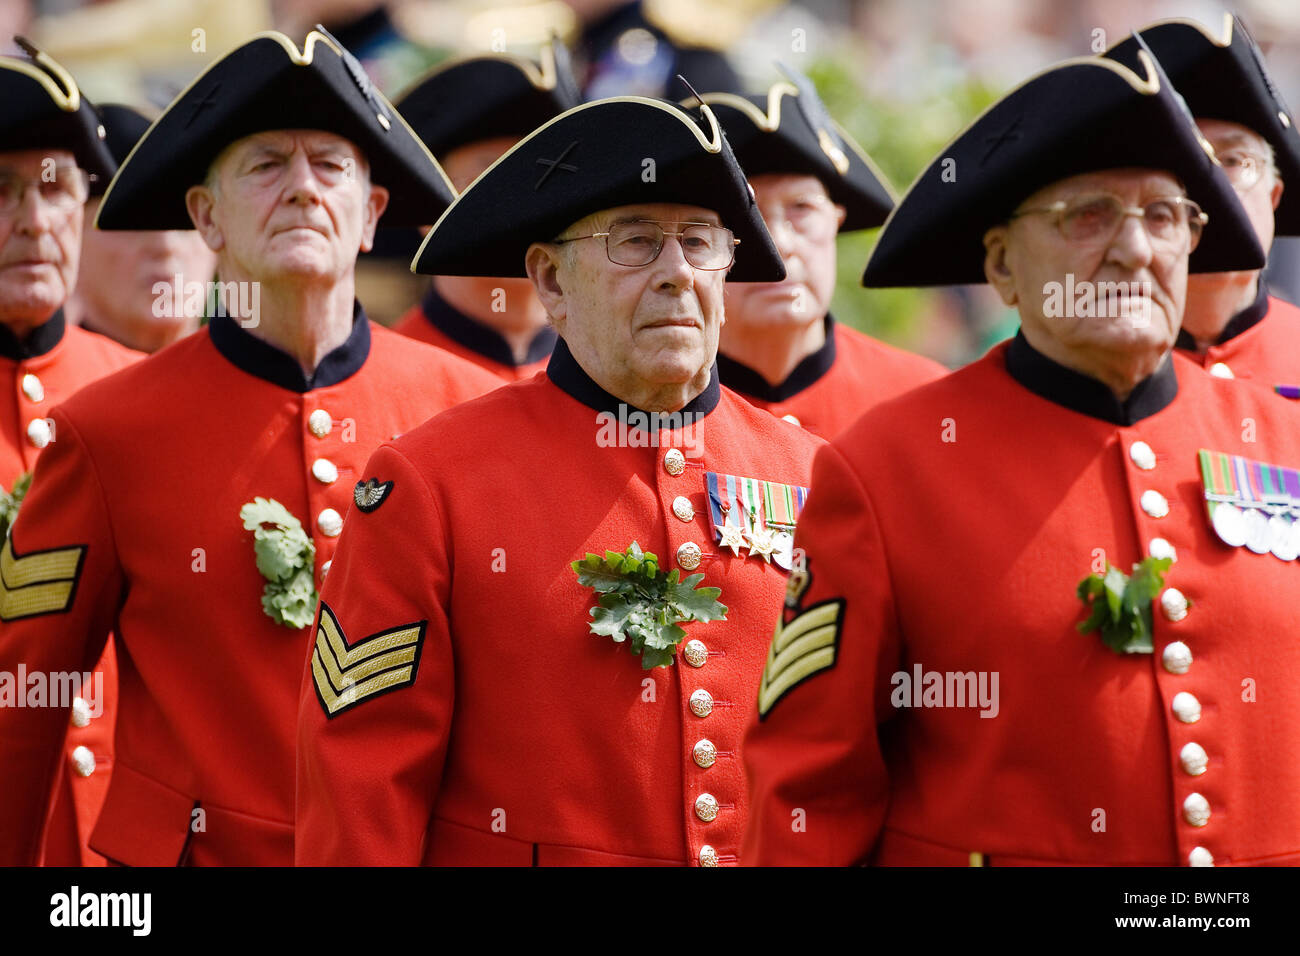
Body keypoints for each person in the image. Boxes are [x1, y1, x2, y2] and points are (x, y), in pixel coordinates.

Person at [742, 49, 1300, 866]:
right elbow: (809, 793)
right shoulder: (890, 467)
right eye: (1088, 216)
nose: (1134, 249)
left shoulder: (1281, 437)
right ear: (1001, 263)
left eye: (1164, 216)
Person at [0, 28, 500, 867]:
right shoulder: (108, 430)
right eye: (267, 165)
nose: (302, 189)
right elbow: (24, 708)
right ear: (206, 218)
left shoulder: (472, 414)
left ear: (373, 215)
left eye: (331, 165)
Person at [296, 95, 825, 866]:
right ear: (549, 280)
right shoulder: (433, 483)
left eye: (700, 242)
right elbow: (361, 788)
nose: (678, 274)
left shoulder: (810, 473)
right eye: (637, 243)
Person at [0, 40, 141, 868]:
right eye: (3, 190)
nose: (34, 219)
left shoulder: (140, 399)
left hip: (121, 851)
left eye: (58, 189)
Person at [700, 75, 946, 437]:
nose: (780, 244)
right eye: (748, 217)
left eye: (801, 208)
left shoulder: (924, 399)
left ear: (836, 220)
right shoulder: (658, 409)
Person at [1104, 16, 1300, 394]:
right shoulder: (1088, 367)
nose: (1210, 187)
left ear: (1274, 196)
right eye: (1181, 163)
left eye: (1232, 160)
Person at [392, 42, 580, 380]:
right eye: (491, 179)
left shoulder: (615, 376)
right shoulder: (389, 382)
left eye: (546, 175)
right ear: (429, 211)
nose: (524, 201)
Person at [64, 104, 217, 353]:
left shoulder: (265, 381)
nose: (166, 247)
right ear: (72, 238)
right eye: (133, 223)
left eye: (186, 222)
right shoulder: (44, 388)